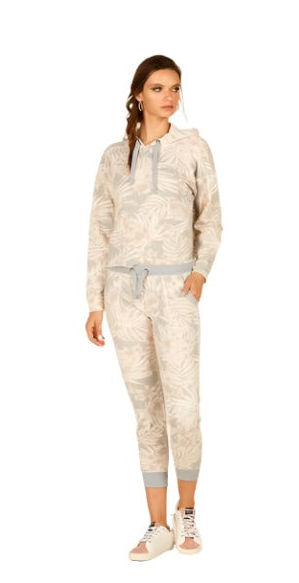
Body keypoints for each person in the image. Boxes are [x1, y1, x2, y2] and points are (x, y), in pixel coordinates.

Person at [85, 54, 223, 561]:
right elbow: (99, 230)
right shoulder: (113, 157)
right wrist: (95, 301)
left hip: (176, 290)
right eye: (159, 87)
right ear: (138, 94)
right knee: (147, 412)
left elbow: (211, 218)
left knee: (183, 410)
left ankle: (188, 512)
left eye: (176, 88)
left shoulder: (193, 148)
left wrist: (200, 272)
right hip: (124, 293)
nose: (170, 96)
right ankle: (157, 525)